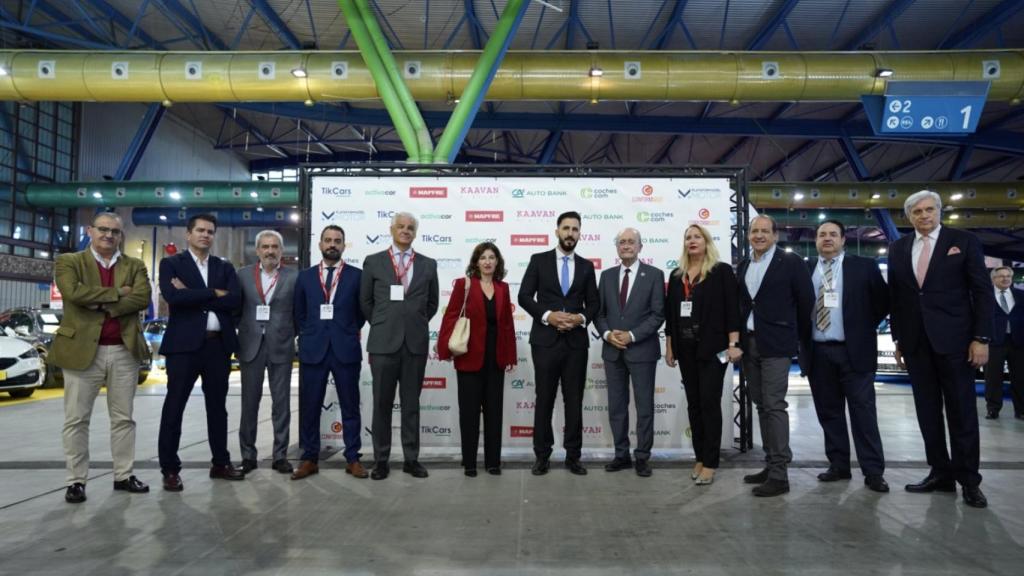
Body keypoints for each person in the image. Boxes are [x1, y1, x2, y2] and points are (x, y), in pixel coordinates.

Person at [889, 190, 994, 508]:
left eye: (929, 209)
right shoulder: (898, 247)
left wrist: (982, 338)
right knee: (928, 412)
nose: (924, 215)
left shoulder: (962, 241)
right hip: (917, 344)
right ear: (910, 217)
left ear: (939, 211)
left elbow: (982, 290)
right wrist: (898, 340)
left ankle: (969, 481)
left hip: (957, 343)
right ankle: (941, 473)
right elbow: (898, 297)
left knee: (962, 413)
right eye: (917, 212)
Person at [52, 212, 152, 504]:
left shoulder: (134, 265)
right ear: (90, 231)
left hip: (123, 350)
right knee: (76, 419)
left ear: (121, 235)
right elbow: (73, 293)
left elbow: (142, 298)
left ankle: (123, 475)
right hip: (83, 351)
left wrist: (102, 303)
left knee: (123, 419)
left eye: (115, 232)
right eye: (103, 230)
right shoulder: (69, 262)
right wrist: (119, 294)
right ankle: (76, 481)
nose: (109, 235)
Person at [157, 213, 244, 491]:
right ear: (188, 234)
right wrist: (212, 293)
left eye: (210, 231)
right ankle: (170, 468)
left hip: (218, 346)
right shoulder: (171, 264)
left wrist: (194, 292)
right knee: (175, 407)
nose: (205, 235)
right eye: (200, 230)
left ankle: (221, 462)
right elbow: (174, 298)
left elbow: (234, 299)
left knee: (218, 408)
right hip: (183, 348)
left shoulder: (224, 266)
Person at [803, 220, 890, 493]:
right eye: (821, 235)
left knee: (863, 412)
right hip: (818, 352)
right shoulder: (806, 269)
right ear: (815, 241)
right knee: (829, 413)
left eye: (832, 235)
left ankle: (873, 471)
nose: (826, 239)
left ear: (843, 240)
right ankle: (838, 465)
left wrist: (860, 328)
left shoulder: (863, 267)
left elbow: (882, 302)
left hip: (854, 352)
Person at [737, 214, 814, 497]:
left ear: (775, 235)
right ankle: (771, 464)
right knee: (761, 405)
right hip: (750, 344)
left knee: (774, 405)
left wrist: (797, 339)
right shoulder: (745, 265)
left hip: (777, 345)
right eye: (754, 231)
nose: (758, 235)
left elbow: (806, 303)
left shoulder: (791, 262)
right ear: (748, 235)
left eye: (764, 231)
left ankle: (780, 475)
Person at [518, 211, 599, 476]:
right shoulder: (538, 260)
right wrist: (548, 316)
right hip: (545, 342)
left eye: (575, 229)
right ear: (557, 231)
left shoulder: (587, 267)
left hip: (576, 343)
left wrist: (579, 318)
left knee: (574, 401)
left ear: (579, 234)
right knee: (544, 399)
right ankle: (542, 456)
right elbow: (524, 296)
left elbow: (595, 304)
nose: (570, 233)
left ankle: (573, 456)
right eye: (566, 228)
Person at [359, 212, 439, 480]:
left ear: (415, 233)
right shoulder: (373, 262)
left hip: (414, 344)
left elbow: (432, 304)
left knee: (411, 405)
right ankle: (381, 460)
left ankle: (411, 459)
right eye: (401, 227)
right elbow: (365, 302)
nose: (406, 231)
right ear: (391, 229)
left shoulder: (428, 264)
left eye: (410, 228)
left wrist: (412, 323)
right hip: (383, 344)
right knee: (381, 404)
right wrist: (385, 324)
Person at [665, 224, 742, 487]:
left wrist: (734, 342)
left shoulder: (720, 272)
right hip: (686, 350)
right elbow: (671, 316)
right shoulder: (677, 276)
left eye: (697, 236)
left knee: (709, 403)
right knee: (694, 405)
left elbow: (732, 308)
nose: (692, 241)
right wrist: (670, 346)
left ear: (706, 241)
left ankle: (710, 462)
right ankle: (699, 456)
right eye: (688, 237)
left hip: (715, 349)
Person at [293, 225, 368, 480]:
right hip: (313, 350)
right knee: (310, 406)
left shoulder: (357, 276)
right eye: (328, 240)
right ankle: (309, 458)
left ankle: (353, 458)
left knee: (350, 406)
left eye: (337, 240)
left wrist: (344, 331)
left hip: (345, 349)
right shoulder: (304, 277)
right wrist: (312, 334)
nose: (332, 244)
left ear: (344, 245)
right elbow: (299, 314)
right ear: (320, 244)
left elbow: (361, 314)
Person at [437, 242, 517, 477]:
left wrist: (509, 355)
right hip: (469, 358)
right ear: (476, 262)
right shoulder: (464, 285)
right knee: (469, 413)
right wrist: (446, 349)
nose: (487, 261)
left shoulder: (502, 288)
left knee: (494, 412)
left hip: (496, 360)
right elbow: (451, 316)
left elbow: (507, 325)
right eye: (483, 257)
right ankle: (469, 462)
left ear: (497, 262)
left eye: (492, 257)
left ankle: (493, 462)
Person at [595, 228, 665, 478]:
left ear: (640, 247)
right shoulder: (606, 276)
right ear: (617, 247)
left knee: (644, 406)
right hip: (612, 351)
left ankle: (642, 457)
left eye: (630, 242)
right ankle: (621, 454)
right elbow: (599, 313)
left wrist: (632, 335)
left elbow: (658, 314)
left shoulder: (655, 275)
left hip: (642, 350)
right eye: (621, 242)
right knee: (617, 406)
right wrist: (607, 335)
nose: (626, 246)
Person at [236, 229, 297, 475]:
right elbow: (234, 309)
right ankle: (248, 456)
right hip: (250, 346)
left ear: (281, 251)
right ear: (258, 250)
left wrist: (289, 333)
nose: (270, 251)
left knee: (281, 404)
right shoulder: (242, 276)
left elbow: (299, 312)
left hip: (281, 346)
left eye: (275, 247)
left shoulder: (294, 277)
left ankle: (280, 456)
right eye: (265, 246)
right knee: (249, 403)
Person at [983, 266, 1023, 420]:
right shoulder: (985, 296)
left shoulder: (1020, 295)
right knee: (992, 378)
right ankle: (993, 409)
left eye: (1008, 276)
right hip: (993, 342)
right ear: (993, 279)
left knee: (1020, 378)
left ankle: (1021, 410)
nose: (1005, 279)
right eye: (1001, 276)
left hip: (1018, 342)